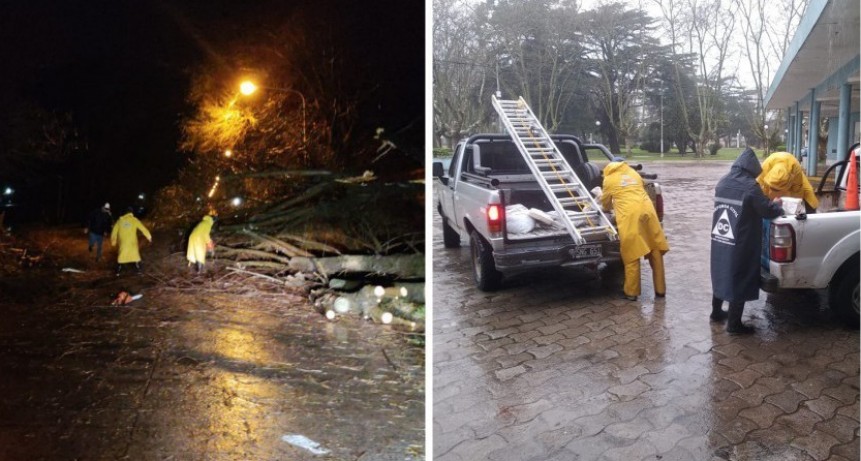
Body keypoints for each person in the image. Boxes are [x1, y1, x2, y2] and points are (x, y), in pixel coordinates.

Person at [711, 148, 783, 334]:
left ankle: (716, 313)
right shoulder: (750, 186)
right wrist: (778, 206)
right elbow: (767, 210)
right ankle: (734, 326)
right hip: (741, 242)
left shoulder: (723, 182)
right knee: (739, 277)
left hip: (721, 238)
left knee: (721, 272)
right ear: (751, 169)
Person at [600, 160, 669, 301]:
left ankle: (631, 292)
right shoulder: (633, 173)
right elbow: (639, 191)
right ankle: (660, 291)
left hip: (630, 216)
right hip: (649, 212)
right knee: (655, 250)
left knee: (632, 253)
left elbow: (606, 204)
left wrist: (611, 206)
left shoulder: (609, 179)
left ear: (607, 169)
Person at [110, 206, 152, 275]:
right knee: (136, 257)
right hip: (132, 244)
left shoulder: (119, 221)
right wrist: (149, 237)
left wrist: (113, 242)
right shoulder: (134, 220)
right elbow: (143, 229)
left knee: (121, 258)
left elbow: (114, 233)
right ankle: (139, 271)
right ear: (131, 213)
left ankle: (118, 272)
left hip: (123, 244)